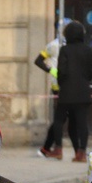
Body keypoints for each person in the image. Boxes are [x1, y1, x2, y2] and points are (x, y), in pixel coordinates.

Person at [41, 21, 92, 163]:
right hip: (83, 92)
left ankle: (58, 149)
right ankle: (81, 153)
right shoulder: (88, 50)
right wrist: (84, 79)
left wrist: (62, 83)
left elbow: (62, 71)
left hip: (66, 92)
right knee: (82, 123)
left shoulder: (65, 50)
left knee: (59, 120)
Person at [36, 18, 69, 159]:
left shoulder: (64, 45)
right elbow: (38, 60)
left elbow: (38, 61)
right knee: (60, 119)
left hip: (65, 85)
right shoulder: (54, 45)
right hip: (59, 86)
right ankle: (51, 148)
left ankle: (47, 148)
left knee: (60, 119)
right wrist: (51, 70)